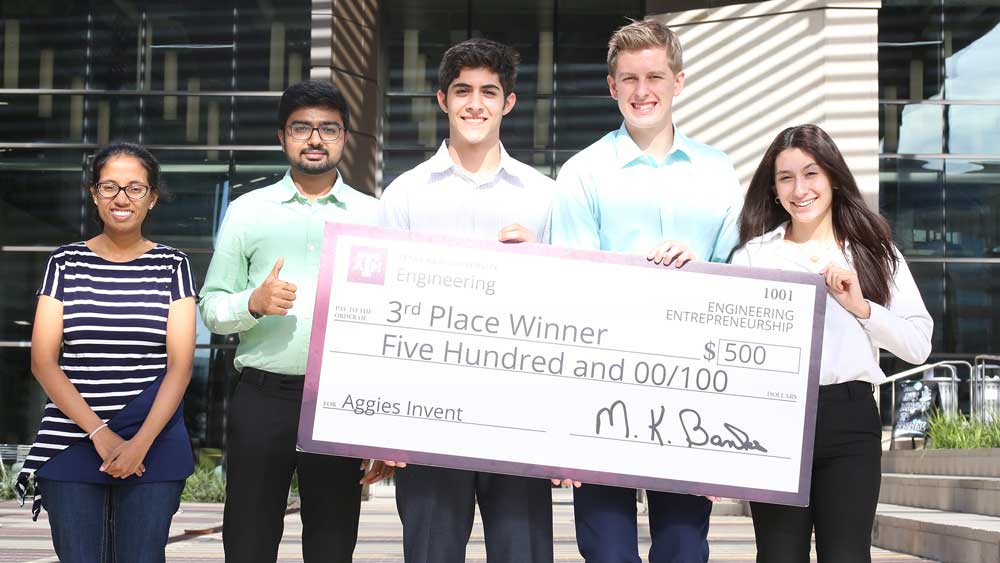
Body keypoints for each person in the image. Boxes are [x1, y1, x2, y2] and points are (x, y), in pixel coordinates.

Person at [550, 19, 742, 563]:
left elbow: (739, 276)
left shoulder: (718, 171)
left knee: (685, 547)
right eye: (629, 79)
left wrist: (701, 269)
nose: (642, 91)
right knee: (607, 548)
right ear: (612, 87)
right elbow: (570, 291)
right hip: (601, 386)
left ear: (678, 82)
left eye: (655, 76)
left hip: (692, 390)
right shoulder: (583, 173)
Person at [379, 38, 554, 563]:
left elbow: (569, 311)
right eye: (463, 91)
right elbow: (382, 309)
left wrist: (544, 261)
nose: (475, 103)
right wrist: (382, 426)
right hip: (428, 410)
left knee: (522, 554)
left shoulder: (545, 195)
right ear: (442, 100)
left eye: (488, 92)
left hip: (520, 411)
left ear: (508, 102)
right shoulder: (405, 194)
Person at [199, 80, 384, 563]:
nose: (316, 139)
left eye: (329, 128)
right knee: (249, 538)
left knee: (332, 539)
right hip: (263, 396)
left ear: (345, 138)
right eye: (302, 128)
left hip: (338, 399)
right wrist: (252, 303)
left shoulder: (376, 216)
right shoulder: (247, 211)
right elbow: (211, 307)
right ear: (283, 136)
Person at [731, 124, 932, 562]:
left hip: (849, 419)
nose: (799, 189)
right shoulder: (753, 256)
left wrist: (863, 308)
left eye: (811, 174)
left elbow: (919, 344)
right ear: (774, 189)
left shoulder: (874, 251)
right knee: (779, 555)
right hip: (775, 421)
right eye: (786, 177)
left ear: (834, 178)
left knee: (847, 554)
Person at [14, 142, 197, 563]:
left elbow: (180, 366)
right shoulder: (65, 262)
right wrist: (101, 434)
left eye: (135, 188)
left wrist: (139, 444)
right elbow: (43, 361)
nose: (121, 198)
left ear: (152, 198)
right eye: (110, 186)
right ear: (94, 193)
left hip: (155, 438)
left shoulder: (173, 265)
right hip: (74, 436)